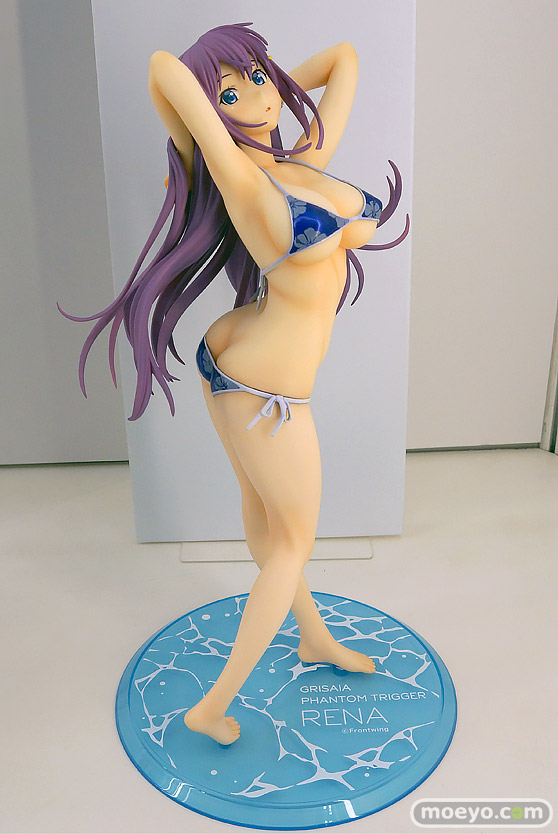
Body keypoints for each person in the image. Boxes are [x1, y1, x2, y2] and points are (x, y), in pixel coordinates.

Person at [60, 22, 409, 745]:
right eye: (229, 91)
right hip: (267, 391)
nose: (255, 95)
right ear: (211, 115)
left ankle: (312, 636)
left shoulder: (302, 158)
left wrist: (265, 83)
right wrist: (209, 122)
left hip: (239, 358)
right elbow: (163, 67)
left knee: (268, 519)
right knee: (294, 542)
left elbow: (343, 58)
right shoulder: (242, 179)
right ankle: (212, 706)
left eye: (256, 76)